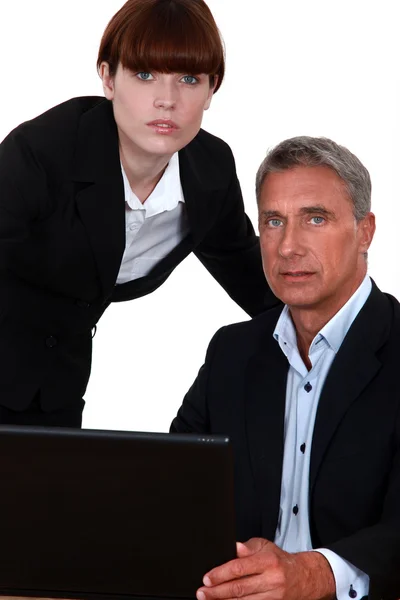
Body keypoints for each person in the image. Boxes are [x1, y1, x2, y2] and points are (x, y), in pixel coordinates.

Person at [0, 0, 279, 427]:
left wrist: (346, 330)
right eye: (144, 74)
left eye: (188, 78)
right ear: (108, 78)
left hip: (57, 387)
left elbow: (253, 277)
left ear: (212, 89)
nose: (166, 100)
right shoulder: (43, 152)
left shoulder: (210, 172)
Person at [171, 136, 400, 600]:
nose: (289, 246)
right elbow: (173, 491)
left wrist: (312, 575)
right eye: (274, 221)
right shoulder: (231, 352)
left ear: (366, 231)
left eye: (315, 219)